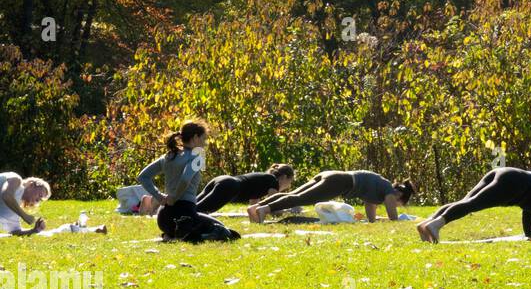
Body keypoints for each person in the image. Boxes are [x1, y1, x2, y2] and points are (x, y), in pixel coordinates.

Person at [416, 168, 531, 243]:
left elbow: (528, 228)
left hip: (505, 172)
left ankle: (426, 224)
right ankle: (436, 225)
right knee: (472, 204)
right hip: (513, 182)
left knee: (466, 202)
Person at [138, 119, 238, 242]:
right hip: (185, 215)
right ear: (196, 137)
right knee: (226, 232)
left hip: (163, 218)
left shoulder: (169, 156)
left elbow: (142, 176)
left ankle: (174, 235)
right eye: (203, 138)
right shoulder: (197, 156)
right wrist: (174, 197)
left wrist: (159, 196)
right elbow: (185, 179)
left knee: (213, 224)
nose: (205, 143)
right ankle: (187, 236)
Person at [248, 170, 414, 224]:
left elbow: (370, 210)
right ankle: (263, 209)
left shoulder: (381, 188)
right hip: (340, 182)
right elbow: (393, 219)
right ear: (399, 195)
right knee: (301, 198)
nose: (396, 204)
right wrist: (402, 218)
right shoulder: (390, 193)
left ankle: (255, 208)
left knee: (295, 194)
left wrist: (373, 222)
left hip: (332, 175)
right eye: (400, 203)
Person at [196, 164, 294, 214]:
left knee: (191, 206)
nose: (288, 186)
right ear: (284, 177)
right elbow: (274, 206)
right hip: (229, 185)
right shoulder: (273, 181)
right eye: (290, 182)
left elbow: (254, 207)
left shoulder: (264, 180)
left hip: (222, 179)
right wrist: (290, 211)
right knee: (200, 211)